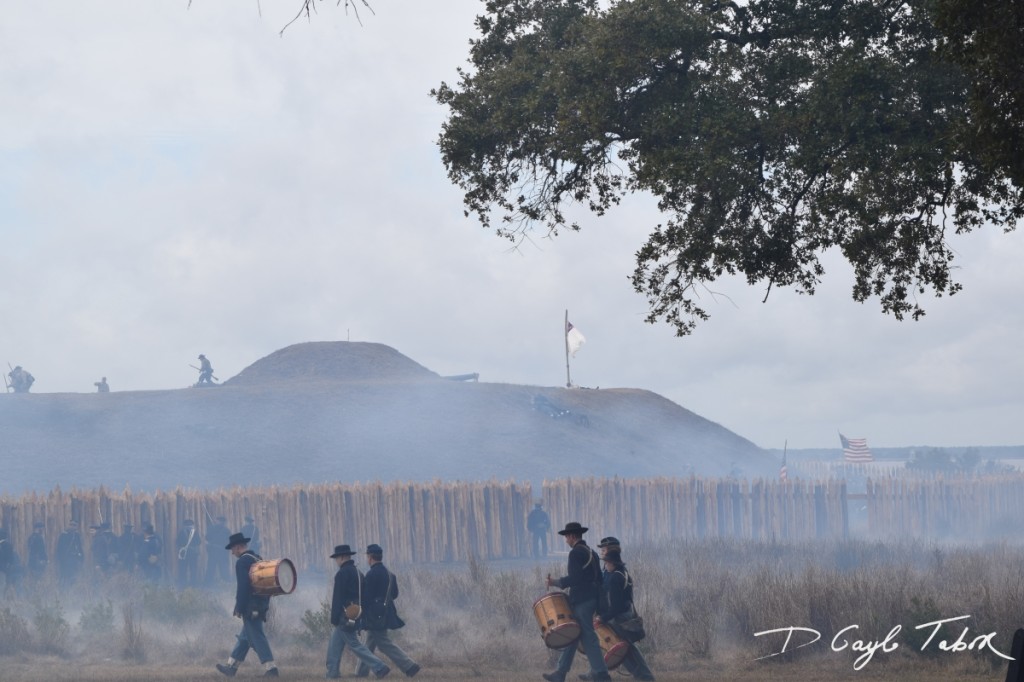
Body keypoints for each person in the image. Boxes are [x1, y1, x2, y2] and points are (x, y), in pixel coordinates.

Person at [543, 522, 610, 682]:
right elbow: (600, 578)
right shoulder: (592, 553)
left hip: (582, 600)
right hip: (592, 599)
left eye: (566, 536)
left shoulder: (575, 554)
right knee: (574, 635)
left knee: (588, 637)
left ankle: (601, 674)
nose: (566, 540)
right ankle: (560, 673)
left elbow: (575, 578)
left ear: (573, 536)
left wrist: (555, 582)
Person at [216, 532, 278, 678]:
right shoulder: (258, 559)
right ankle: (231, 667)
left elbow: (243, 587)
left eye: (232, 549)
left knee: (257, 637)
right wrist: (264, 606)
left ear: (238, 547)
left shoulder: (242, 562)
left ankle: (271, 669)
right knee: (245, 638)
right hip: (260, 605)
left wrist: (239, 607)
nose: (232, 553)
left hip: (250, 607)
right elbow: (266, 587)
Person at [354, 544, 420, 678]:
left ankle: (409, 666)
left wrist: (361, 615)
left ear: (370, 557)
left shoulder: (371, 574)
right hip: (385, 613)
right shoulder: (390, 575)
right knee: (369, 643)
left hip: (373, 615)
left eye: (367, 556)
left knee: (383, 643)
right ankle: (361, 672)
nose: (367, 559)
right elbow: (394, 594)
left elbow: (366, 598)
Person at [325, 544, 391, 679]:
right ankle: (332, 673)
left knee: (355, 645)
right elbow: (364, 597)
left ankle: (380, 667)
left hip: (344, 615)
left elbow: (337, 598)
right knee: (334, 645)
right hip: (355, 613)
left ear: (342, 557)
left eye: (337, 558)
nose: (336, 561)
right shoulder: (358, 572)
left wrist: (334, 617)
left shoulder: (342, 574)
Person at [595, 547, 654, 681]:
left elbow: (616, 607)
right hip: (627, 614)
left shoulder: (615, 578)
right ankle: (642, 676)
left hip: (620, 618)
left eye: (607, 562)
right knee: (623, 650)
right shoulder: (623, 572)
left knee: (625, 650)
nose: (605, 565)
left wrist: (602, 618)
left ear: (612, 563)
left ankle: (646, 677)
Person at [55, 520, 84, 587]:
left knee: (74, 577)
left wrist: (81, 558)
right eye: (71, 525)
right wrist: (61, 560)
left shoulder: (77, 535)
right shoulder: (63, 535)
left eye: (74, 525)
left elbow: (79, 547)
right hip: (65, 560)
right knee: (64, 577)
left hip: (75, 560)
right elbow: (60, 549)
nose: (72, 527)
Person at [205, 516, 232, 584]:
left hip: (218, 552)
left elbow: (207, 537)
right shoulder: (226, 530)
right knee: (214, 568)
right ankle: (209, 583)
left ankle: (209, 583)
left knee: (219, 568)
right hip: (219, 552)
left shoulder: (213, 529)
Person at [176, 519, 202, 588]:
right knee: (193, 569)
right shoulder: (195, 532)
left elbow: (178, 542)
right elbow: (199, 542)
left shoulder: (182, 532)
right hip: (193, 554)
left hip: (184, 554)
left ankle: (182, 584)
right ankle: (193, 584)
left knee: (183, 569)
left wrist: (184, 546)